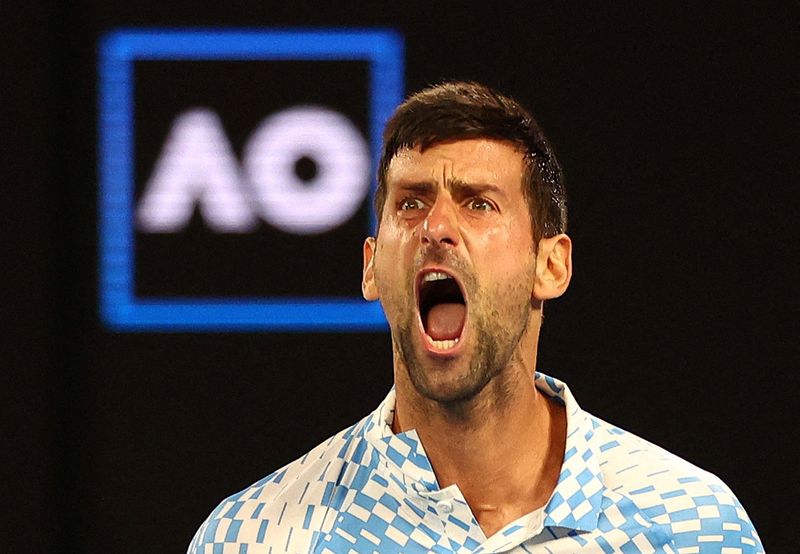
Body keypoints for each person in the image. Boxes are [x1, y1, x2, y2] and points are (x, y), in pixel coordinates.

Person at [188, 81, 763, 553]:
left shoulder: (694, 526)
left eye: (478, 203)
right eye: (410, 203)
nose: (436, 227)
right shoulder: (256, 536)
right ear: (371, 267)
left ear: (551, 265)